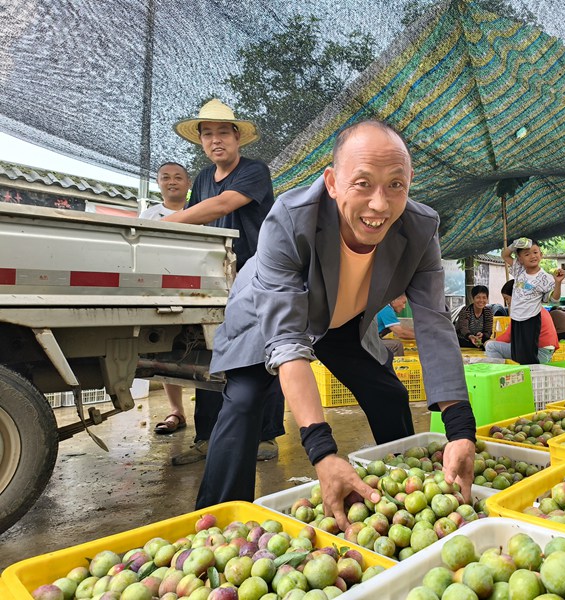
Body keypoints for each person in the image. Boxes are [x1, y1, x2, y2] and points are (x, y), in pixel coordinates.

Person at [196, 120, 476, 529]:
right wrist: (322, 451)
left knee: (388, 393)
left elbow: (433, 325)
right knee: (245, 400)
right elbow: (288, 340)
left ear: (410, 182)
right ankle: (217, 523)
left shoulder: (420, 229)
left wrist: (460, 429)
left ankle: (403, 486)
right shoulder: (291, 219)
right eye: (362, 183)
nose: (379, 205)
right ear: (331, 182)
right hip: (268, 313)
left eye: (396, 185)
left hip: (341, 317)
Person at [164, 98, 285, 465]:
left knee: (262, 354)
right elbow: (200, 221)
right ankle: (207, 436)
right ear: (201, 141)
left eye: (222, 133)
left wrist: (164, 223)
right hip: (215, 278)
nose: (216, 141)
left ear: (237, 138)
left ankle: (266, 436)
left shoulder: (254, 170)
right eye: (208, 134)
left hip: (257, 274)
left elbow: (220, 207)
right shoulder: (201, 178)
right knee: (211, 354)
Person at [139, 162, 191, 434]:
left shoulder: (200, 212)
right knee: (166, 351)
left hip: (197, 290)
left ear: (188, 183)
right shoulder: (148, 216)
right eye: (166, 177)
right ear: (158, 183)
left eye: (178, 177)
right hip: (160, 290)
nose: (172, 182)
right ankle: (176, 412)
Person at [501, 239, 564, 364]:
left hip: (530, 319)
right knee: (516, 354)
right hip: (516, 318)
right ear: (520, 259)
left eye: (535, 252)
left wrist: (558, 283)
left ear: (541, 254)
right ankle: (522, 379)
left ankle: (532, 379)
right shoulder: (519, 270)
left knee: (528, 356)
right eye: (527, 254)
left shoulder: (545, 278)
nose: (532, 256)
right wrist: (514, 245)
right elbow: (505, 255)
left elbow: (554, 299)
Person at [485, 280, 560, 363]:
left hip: (537, 353)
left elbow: (508, 337)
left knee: (490, 346)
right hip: (547, 352)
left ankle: (500, 373)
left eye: (507, 299)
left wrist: (490, 341)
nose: (507, 303)